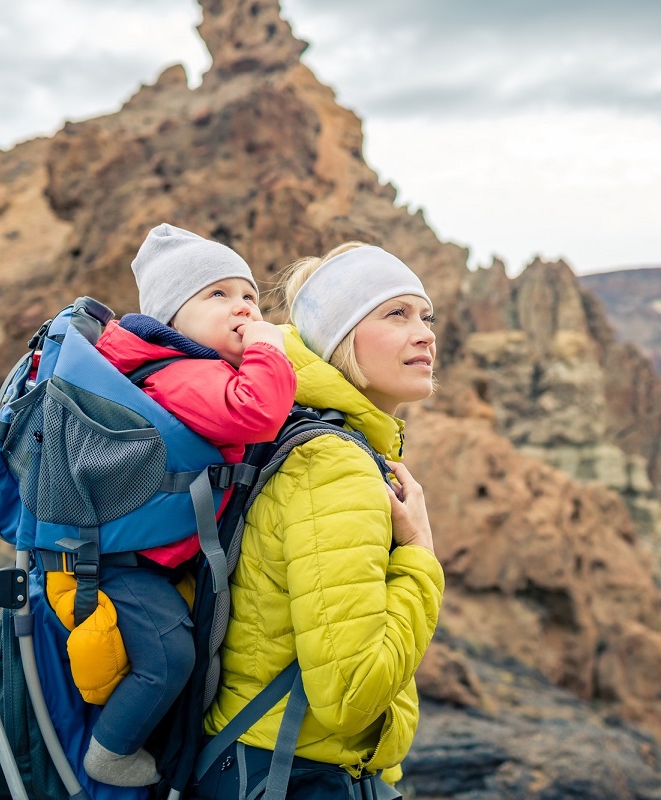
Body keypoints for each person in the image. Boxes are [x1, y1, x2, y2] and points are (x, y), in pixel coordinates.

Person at [193, 242, 445, 798]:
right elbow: (350, 693)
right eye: (395, 313)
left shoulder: (302, 434)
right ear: (341, 337)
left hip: (263, 765)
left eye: (426, 315)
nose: (425, 332)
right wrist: (421, 558)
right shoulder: (333, 464)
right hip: (295, 776)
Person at [77, 223, 297, 787]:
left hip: (149, 556)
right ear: (173, 317)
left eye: (249, 294)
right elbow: (255, 414)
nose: (243, 307)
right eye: (217, 295)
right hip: (125, 567)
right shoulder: (179, 373)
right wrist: (270, 352)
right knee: (170, 657)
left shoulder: (190, 367)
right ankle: (109, 751)